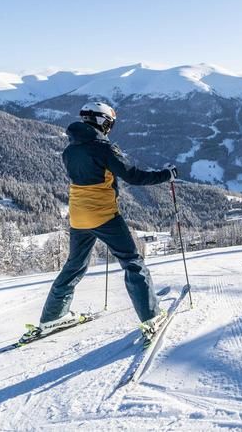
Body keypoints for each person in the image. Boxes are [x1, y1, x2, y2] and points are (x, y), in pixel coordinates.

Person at [34, 101, 177, 339]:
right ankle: (151, 316)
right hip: (104, 216)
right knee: (132, 262)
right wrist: (166, 175)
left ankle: (53, 317)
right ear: (102, 122)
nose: (110, 128)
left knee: (74, 265)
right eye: (109, 123)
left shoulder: (69, 149)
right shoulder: (103, 148)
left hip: (78, 217)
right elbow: (133, 176)